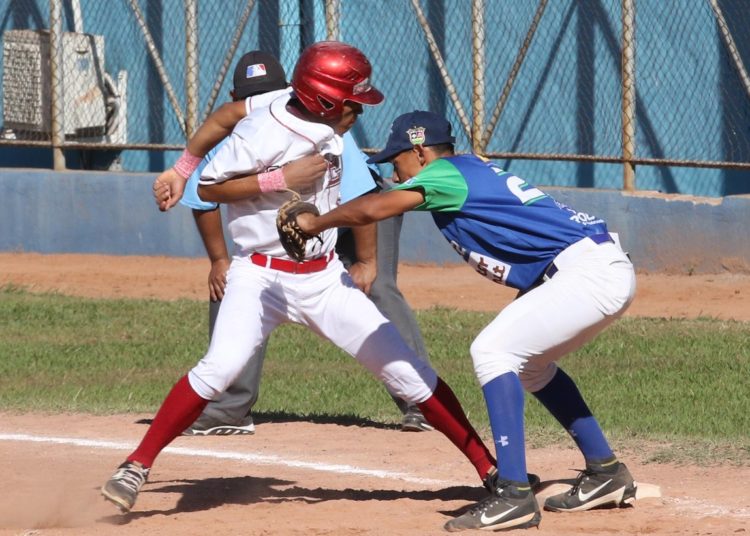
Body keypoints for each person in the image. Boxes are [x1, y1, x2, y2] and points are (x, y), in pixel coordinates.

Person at [101, 42, 499, 516]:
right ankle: (136, 465)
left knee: (408, 372)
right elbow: (211, 187)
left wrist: (180, 165)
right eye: (353, 99)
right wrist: (270, 177)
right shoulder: (265, 130)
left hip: (323, 279)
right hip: (260, 278)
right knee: (219, 368)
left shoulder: (297, 103)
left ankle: (492, 473)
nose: (359, 109)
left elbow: (225, 113)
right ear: (326, 99)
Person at [293, 110, 639, 532]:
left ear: (420, 151)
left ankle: (513, 494)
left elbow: (374, 208)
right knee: (530, 366)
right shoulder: (469, 170)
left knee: (492, 351)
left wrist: (315, 222)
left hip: (589, 272)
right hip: (592, 267)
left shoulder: (445, 174)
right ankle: (605, 472)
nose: (395, 171)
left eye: (397, 160)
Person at [177, 51, 432, 436]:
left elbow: (359, 196)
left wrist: (364, 262)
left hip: (359, 214)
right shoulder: (237, 137)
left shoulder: (323, 129)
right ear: (236, 98)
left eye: (270, 92)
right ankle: (230, 407)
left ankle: (421, 401)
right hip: (298, 229)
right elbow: (204, 198)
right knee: (232, 284)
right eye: (252, 95)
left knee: (375, 286)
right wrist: (218, 261)